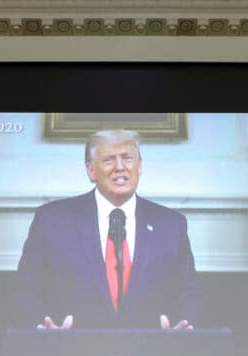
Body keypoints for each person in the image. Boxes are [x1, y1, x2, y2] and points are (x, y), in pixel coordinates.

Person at [15, 129, 201, 330]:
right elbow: (27, 287)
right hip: (71, 352)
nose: (120, 167)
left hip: (150, 352)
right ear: (91, 170)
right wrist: (41, 326)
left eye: (128, 158)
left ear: (140, 167)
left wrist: (182, 326)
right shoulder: (52, 220)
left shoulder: (171, 224)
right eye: (108, 160)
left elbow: (189, 291)